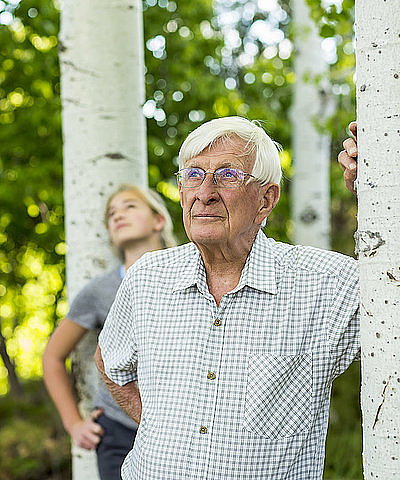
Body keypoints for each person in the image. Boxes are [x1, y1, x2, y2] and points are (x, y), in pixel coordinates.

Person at [95, 117, 360, 480]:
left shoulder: (326, 284)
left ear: (266, 199)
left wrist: (382, 193)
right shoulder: (147, 277)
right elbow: (110, 363)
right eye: (193, 175)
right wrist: (163, 430)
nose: (205, 192)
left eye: (227, 175)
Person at [42, 184, 176, 480]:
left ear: (158, 220)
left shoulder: (192, 273)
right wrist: (74, 424)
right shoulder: (98, 291)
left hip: (182, 429)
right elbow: (52, 356)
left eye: (130, 206)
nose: (118, 215)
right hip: (118, 433)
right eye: (112, 213)